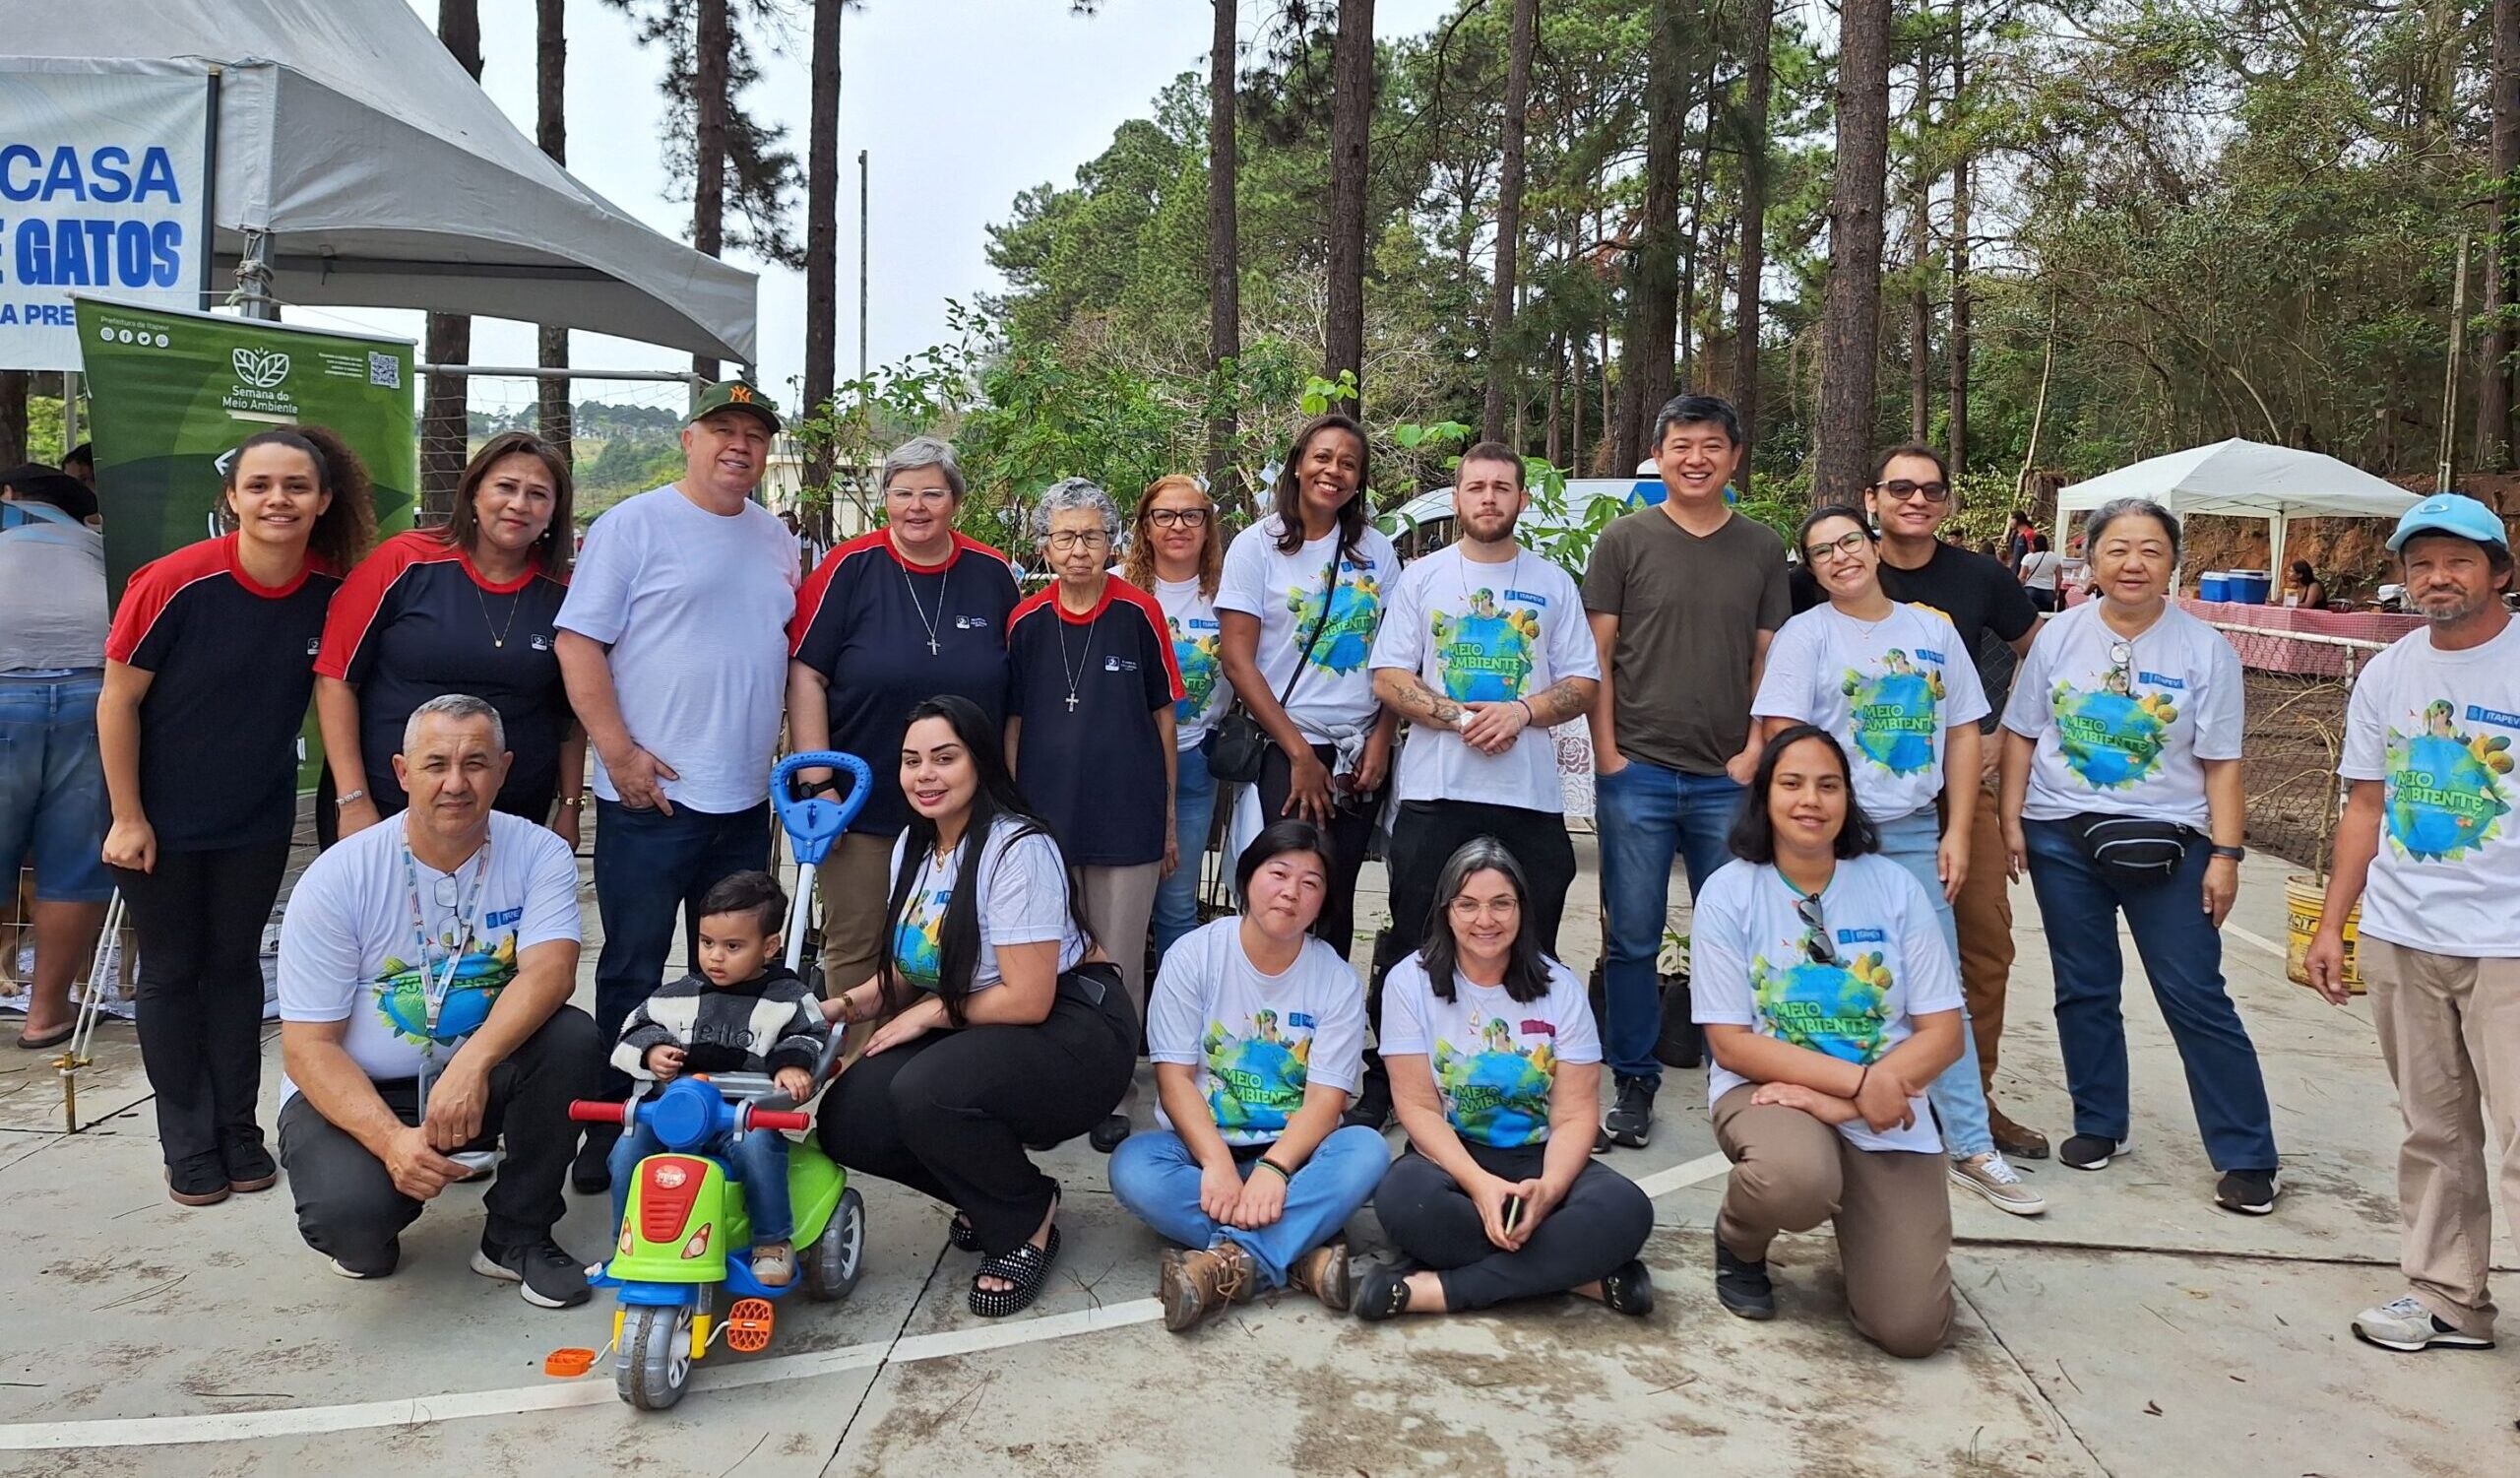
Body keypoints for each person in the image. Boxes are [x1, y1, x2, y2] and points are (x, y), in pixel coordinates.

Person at [98, 427, 372, 1206]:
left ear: (322, 501)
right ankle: (186, 1143)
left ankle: (239, 1132)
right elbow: (117, 700)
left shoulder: (330, 592)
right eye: (260, 485)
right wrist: (127, 816)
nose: (277, 500)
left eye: (295, 486)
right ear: (233, 497)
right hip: (153, 817)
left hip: (253, 817)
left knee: (235, 972)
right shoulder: (175, 581)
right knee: (172, 972)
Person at [1752, 507, 2044, 1217]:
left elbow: (1963, 732)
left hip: (1912, 831)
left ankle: (1972, 1144)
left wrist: (1954, 832)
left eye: (1850, 541)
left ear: (1874, 544)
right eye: (1822, 552)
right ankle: (1826, 1121)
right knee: (1823, 981)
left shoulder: (1932, 629)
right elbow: (1782, 740)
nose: (1840, 557)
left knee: (1938, 994)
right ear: (1813, 570)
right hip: (1828, 839)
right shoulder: (1805, 635)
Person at [812, 696, 1136, 1317]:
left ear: (980, 762)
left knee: (924, 1090)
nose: (924, 775)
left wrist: (933, 1014)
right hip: (984, 1017)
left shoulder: (1018, 849)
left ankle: (1024, 1220)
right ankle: (997, 1193)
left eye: (944, 758)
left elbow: (1028, 996)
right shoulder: (913, 844)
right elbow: (913, 971)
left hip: (1074, 1026)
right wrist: (837, 1009)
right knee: (850, 1117)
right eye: (911, 761)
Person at [1999, 496, 2279, 1214]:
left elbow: (2222, 762)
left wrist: (2226, 854)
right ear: (2089, 560)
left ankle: (2247, 1153)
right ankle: (2100, 1122)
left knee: (2195, 993)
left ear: (2174, 562)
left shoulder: (2204, 649)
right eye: (2117, 548)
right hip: (2062, 835)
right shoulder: (2059, 638)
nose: (2133, 562)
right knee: (2083, 986)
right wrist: (2011, 820)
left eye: (2151, 549)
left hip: (2173, 845)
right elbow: (2024, 733)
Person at [556, 380, 798, 1193]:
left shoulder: (776, 540)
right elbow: (577, 644)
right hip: (650, 799)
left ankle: (715, 1122)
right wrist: (618, 752)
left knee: (732, 979)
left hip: (743, 802)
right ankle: (611, 1122)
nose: (740, 446)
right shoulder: (634, 524)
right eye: (722, 429)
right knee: (631, 968)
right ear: (689, 438)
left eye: (754, 435)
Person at [276, 695, 597, 1304]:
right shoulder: (339, 877)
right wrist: (392, 1142)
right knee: (354, 1228)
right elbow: (307, 1048)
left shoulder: (539, 852)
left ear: (504, 770)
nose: (456, 783)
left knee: (571, 1036)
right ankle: (378, 1204)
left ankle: (516, 1235)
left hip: (479, 1078)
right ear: (401, 772)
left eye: (475, 764)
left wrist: (472, 1064)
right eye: (435, 765)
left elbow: (551, 973)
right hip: (363, 1087)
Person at [2302, 494, 2520, 1353]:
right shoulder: (2390, 674)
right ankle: (2448, 1297)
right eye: (2421, 562)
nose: (2438, 577)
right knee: (2434, 1128)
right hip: (2404, 933)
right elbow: (2365, 803)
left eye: (2459, 560)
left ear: (2500, 570)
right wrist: (2335, 924)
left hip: (2510, 942)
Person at [1692, 726, 1965, 1357]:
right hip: (1769, 1092)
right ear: (1764, 796)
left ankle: (1872, 1237)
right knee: (1794, 1179)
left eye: (1828, 785)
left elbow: (1944, 1033)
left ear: (1848, 800)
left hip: (1879, 1103)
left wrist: (1847, 1101)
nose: (1810, 800)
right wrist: (1859, 1085)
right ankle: (1740, 1242)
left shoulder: (1894, 887)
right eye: (1791, 783)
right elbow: (1731, 1043)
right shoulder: (1729, 892)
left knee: (1912, 1330)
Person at [1366, 440, 1597, 1128]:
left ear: (1521, 499)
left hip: (1528, 801)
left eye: (1502, 487)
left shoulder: (1554, 583)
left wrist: (1523, 711)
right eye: (1476, 487)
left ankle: (1527, 1081)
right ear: (1458, 498)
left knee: (1530, 944)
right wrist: (1461, 716)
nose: (1489, 498)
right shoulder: (1422, 579)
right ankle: (1394, 1079)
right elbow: (1388, 676)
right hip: (1437, 794)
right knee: (1414, 936)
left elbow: (1583, 681)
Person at [1583, 393, 1791, 1150]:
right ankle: (1634, 1074)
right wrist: (1607, 753)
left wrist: (1755, 750)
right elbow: (1596, 657)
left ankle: (1742, 1070)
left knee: (1735, 932)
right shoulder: (1624, 540)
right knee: (1633, 934)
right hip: (1635, 770)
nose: (1695, 458)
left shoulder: (1763, 547)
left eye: (1711, 445)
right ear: (1659, 456)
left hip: (1726, 776)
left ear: (1735, 456)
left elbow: (1770, 658)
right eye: (1680, 445)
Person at [1107, 820, 1389, 1331]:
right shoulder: (1194, 955)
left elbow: (1326, 1102)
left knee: (1366, 1151)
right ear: (1247, 878)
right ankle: (1299, 1254)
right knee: (1132, 1166)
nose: (1291, 893)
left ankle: (1228, 1264)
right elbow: (1173, 1080)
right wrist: (1216, 1162)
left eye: (1311, 883)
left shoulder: (1335, 980)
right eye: (1278, 873)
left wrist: (1275, 1170)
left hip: (1294, 1160)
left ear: (1325, 901)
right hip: (1199, 1154)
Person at [1361, 838, 1654, 1320]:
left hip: (1540, 1153)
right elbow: (1416, 1108)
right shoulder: (1408, 982)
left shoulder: (1559, 987)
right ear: (1446, 911)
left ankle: (1441, 1290)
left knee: (1626, 1210)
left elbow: (1577, 1114)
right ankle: (1581, 1277)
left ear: (1522, 909)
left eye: (1501, 903)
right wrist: (1479, 1186)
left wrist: (1549, 1193)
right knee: (1403, 1202)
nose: (1485, 920)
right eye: (1468, 904)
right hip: (1452, 1156)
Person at [788, 436, 1021, 1006]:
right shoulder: (849, 568)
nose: (917, 506)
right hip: (860, 804)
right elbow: (805, 674)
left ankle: (928, 1078)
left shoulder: (992, 573)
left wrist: (1010, 792)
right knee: (857, 945)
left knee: (954, 946)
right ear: (884, 498)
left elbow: (1016, 695)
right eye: (902, 492)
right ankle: (849, 1082)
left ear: (955, 502)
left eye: (932, 493)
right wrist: (818, 782)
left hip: (966, 810)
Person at [1865, 444, 2048, 1159]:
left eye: (1931, 489)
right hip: (1852, 797)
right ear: (1872, 495)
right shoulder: (1839, 570)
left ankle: (1973, 1095)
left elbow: (2042, 647)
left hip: (1955, 786)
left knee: (1982, 944)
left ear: (1946, 502)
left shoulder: (1980, 577)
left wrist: (2006, 731)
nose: (1916, 500)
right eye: (1901, 487)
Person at [1006, 478, 1183, 1152]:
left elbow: (1163, 719)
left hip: (1127, 817)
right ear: (1046, 546)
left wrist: (1167, 818)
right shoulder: (1025, 620)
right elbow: (1014, 724)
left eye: (1092, 535)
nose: (1079, 549)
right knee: (1044, 959)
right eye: (1066, 536)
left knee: (1117, 964)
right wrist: (1010, 817)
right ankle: (1052, 1085)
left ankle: (1113, 1092)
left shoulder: (1140, 612)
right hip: (1044, 822)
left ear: (1112, 543)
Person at [318, 431, 584, 849]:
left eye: (538, 495)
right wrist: (352, 801)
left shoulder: (565, 593)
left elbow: (569, 716)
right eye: (506, 487)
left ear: (553, 514)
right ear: (474, 493)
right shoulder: (404, 561)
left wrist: (569, 806)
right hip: (388, 804)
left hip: (512, 812)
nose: (519, 504)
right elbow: (336, 679)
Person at [1216, 414, 1398, 966]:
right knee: (1282, 894)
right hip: (1285, 747)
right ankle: (1263, 1027)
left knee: (1336, 897)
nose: (1333, 471)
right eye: (1322, 457)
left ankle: (1329, 1030)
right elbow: (1237, 661)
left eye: (1348, 463)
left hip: (1357, 753)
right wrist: (1298, 753)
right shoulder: (1257, 547)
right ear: (1298, 464)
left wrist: (1383, 738)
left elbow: (1396, 655)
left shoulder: (1376, 550)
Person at [607, 869, 823, 1288]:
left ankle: (772, 1240)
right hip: (673, 1113)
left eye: (733, 946)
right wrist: (652, 1052)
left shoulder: (787, 998)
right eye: (707, 943)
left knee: (760, 1151)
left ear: (770, 947)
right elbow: (631, 1031)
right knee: (626, 1151)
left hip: (740, 1117)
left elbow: (811, 1034)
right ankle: (626, 1240)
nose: (715, 957)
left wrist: (792, 1064)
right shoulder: (677, 995)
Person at [0, 465, 110, 1050]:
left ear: (10, 496)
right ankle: (44, 1015)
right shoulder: (96, 549)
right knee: (72, 862)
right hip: (92, 698)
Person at [1121, 475, 1234, 966]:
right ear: (1145, 527)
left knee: (1176, 904)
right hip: (1126, 760)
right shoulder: (1118, 585)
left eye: (1192, 515)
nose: (1178, 526)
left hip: (1194, 760)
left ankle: (1172, 1020)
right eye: (1163, 516)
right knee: (1114, 899)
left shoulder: (1231, 592)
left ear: (1208, 526)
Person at [2018, 533, 2063, 613]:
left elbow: (2022, 577)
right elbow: (2059, 578)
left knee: (2031, 618)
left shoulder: (2028, 557)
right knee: (2047, 620)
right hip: (2048, 593)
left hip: (2031, 592)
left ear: (2034, 544)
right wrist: (2056, 592)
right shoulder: (2054, 557)